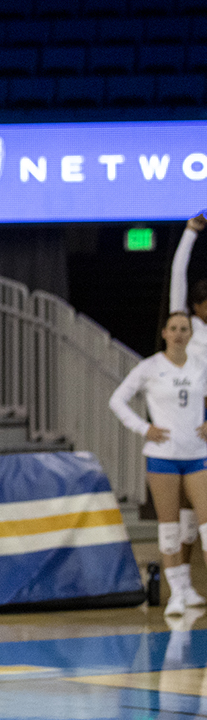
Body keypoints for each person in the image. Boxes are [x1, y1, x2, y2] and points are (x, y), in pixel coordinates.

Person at [109, 311, 207, 615]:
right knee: (169, 526)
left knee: (203, 524)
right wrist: (144, 428)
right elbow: (117, 400)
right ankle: (177, 591)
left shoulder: (200, 366)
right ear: (164, 333)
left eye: (184, 329)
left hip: (197, 455)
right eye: (173, 329)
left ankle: (189, 587)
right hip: (163, 456)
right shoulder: (150, 367)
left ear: (192, 334)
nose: (179, 334)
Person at [168, 213, 207, 558]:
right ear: (196, 306)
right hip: (190, 415)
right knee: (189, 504)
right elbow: (178, 276)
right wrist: (190, 234)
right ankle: (180, 573)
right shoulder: (185, 326)